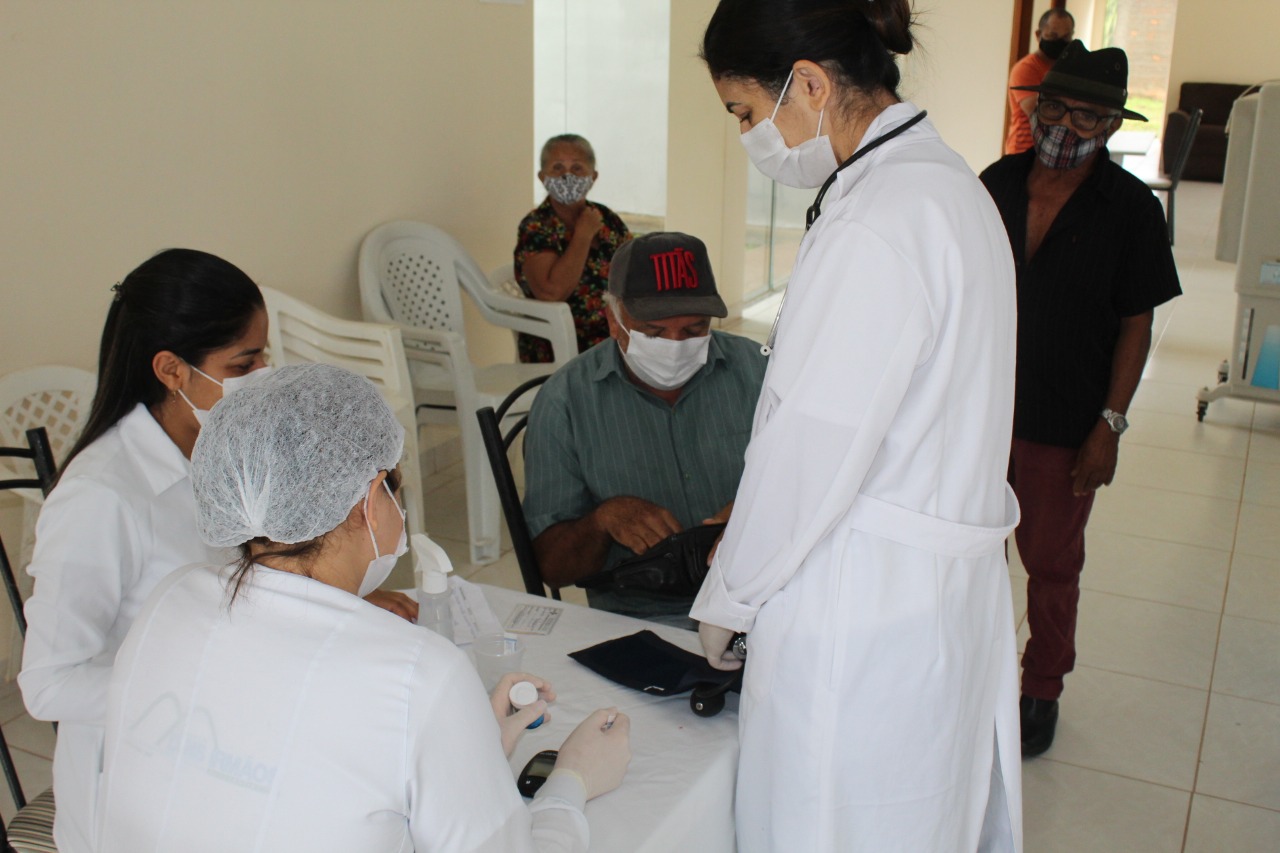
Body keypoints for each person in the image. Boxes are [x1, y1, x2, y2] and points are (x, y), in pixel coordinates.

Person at [692, 1, 1023, 850]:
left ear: (806, 84)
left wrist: (732, 594)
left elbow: (812, 447)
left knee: (831, 821)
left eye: (742, 111)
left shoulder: (878, 221)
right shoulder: (948, 186)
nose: (747, 136)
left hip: (865, 614)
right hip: (933, 604)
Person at [95, 363, 632, 851]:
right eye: (395, 487)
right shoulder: (418, 672)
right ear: (372, 499)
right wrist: (570, 784)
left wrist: (465, 748)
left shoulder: (172, 600)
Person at [17, 249, 415, 853]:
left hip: (230, 742)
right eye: (245, 360)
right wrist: (214, 678)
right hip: (135, 788)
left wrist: (339, 605)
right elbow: (50, 685)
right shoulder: (102, 497)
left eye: (264, 352)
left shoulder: (226, 452)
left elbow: (249, 582)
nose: (264, 371)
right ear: (172, 370)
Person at [980, 41, 1181, 758]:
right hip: (978, 414)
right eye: (1055, 108)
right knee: (968, 550)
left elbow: (1138, 320)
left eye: (1089, 115)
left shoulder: (1130, 211)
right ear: (1034, 108)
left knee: (1052, 561)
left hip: (1064, 420)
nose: (1067, 125)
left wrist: (1110, 424)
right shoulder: (994, 184)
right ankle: (970, 673)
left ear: (1112, 126)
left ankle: (1042, 688)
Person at [523, 232, 766, 626]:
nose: (675, 345)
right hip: (643, 616)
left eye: (694, 330)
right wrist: (603, 520)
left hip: (758, 599)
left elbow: (823, 483)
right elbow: (553, 568)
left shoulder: (759, 373)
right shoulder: (565, 401)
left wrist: (758, 511)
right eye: (653, 332)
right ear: (613, 321)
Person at [514, 134, 632, 363]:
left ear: (593, 176)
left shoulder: (606, 218)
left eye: (577, 168)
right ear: (542, 176)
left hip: (614, 333)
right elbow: (551, 293)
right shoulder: (536, 226)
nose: (567, 176)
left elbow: (636, 269)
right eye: (557, 167)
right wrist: (583, 236)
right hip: (559, 343)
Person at [1005, 9, 1075, 155]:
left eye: (1066, 37)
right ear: (1038, 35)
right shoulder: (1026, 68)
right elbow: (1039, 112)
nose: (1059, 42)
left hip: (1054, 154)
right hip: (1023, 152)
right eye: (1053, 36)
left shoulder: (1070, 70)